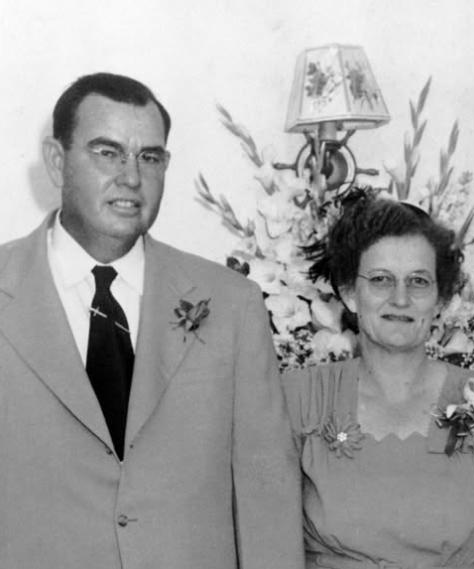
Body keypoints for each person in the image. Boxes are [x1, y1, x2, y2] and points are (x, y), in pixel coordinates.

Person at [0, 72, 304, 569]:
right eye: (107, 152)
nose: (131, 177)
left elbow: (266, 492)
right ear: (56, 161)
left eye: (149, 157)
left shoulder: (232, 304)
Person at [283, 191, 474, 569]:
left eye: (419, 281)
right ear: (350, 293)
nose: (400, 299)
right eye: (380, 279)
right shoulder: (298, 399)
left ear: (440, 299)